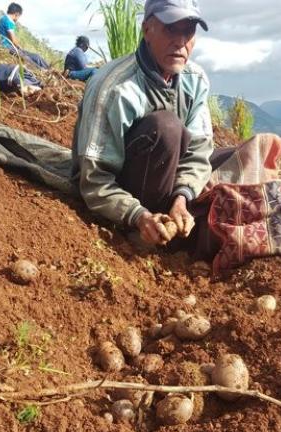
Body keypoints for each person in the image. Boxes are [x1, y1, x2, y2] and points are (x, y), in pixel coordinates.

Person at [71, 0, 217, 247]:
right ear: (147, 30)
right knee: (167, 128)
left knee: (250, 150)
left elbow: (199, 150)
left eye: (188, 31)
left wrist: (182, 197)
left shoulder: (196, 80)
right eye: (171, 28)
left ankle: (177, 213)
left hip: (168, 179)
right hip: (123, 191)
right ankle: (145, 235)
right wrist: (138, 216)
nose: (181, 42)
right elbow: (94, 178)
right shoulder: (115, 89)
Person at [0, 3, 50, 70]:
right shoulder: (8, 21)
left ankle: (49, 69)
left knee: (36, 56)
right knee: (27, 59)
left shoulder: (4, 18)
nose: (18, 18)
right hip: (7, 47)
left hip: (10, 46)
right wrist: (19, 47)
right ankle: (43, 71)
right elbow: (13, 40)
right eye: (19, 16)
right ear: (17, 14)